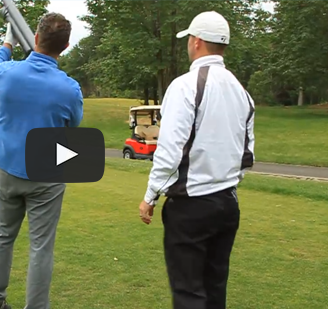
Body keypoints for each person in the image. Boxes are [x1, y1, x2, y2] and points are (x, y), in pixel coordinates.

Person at [138, 11, 255, 309]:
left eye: (190, 38)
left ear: (197, 42)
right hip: (228, 203)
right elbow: (245, 154)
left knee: (189, 292)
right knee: (214, 289)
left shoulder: (185, 85)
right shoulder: (242, 92)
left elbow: (170, 150)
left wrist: (150, 195)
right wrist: (227, 184)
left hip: (191, 206)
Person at [0, 13, 83, 309]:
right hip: (47, 174)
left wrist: (7, 43)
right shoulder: (69, 88)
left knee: (3, 235)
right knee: (41, 247)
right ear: (64, 47)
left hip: (8, 169)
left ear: (36, 39)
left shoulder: (7, 73)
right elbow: (73, 125)